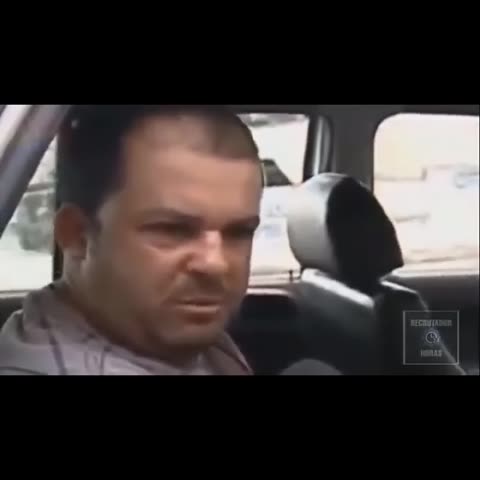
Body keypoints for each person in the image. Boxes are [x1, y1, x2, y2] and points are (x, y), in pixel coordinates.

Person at [0, 105, 264, 375]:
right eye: (172, 230)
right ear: (77, 235)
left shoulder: (158, 334)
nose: (215, 264)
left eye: (239, 232)